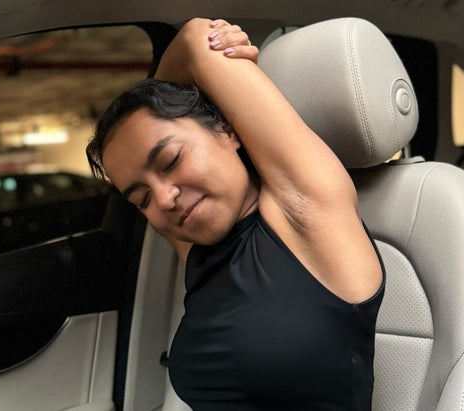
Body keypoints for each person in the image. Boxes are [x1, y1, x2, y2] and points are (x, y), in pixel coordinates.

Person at [87, 18, 385, 411]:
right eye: (140, 198)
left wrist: (215, 44)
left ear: (227, 129)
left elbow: (195, 40)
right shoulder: (195, 249)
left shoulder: (306, 212)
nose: (163, 199)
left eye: (171, 160)